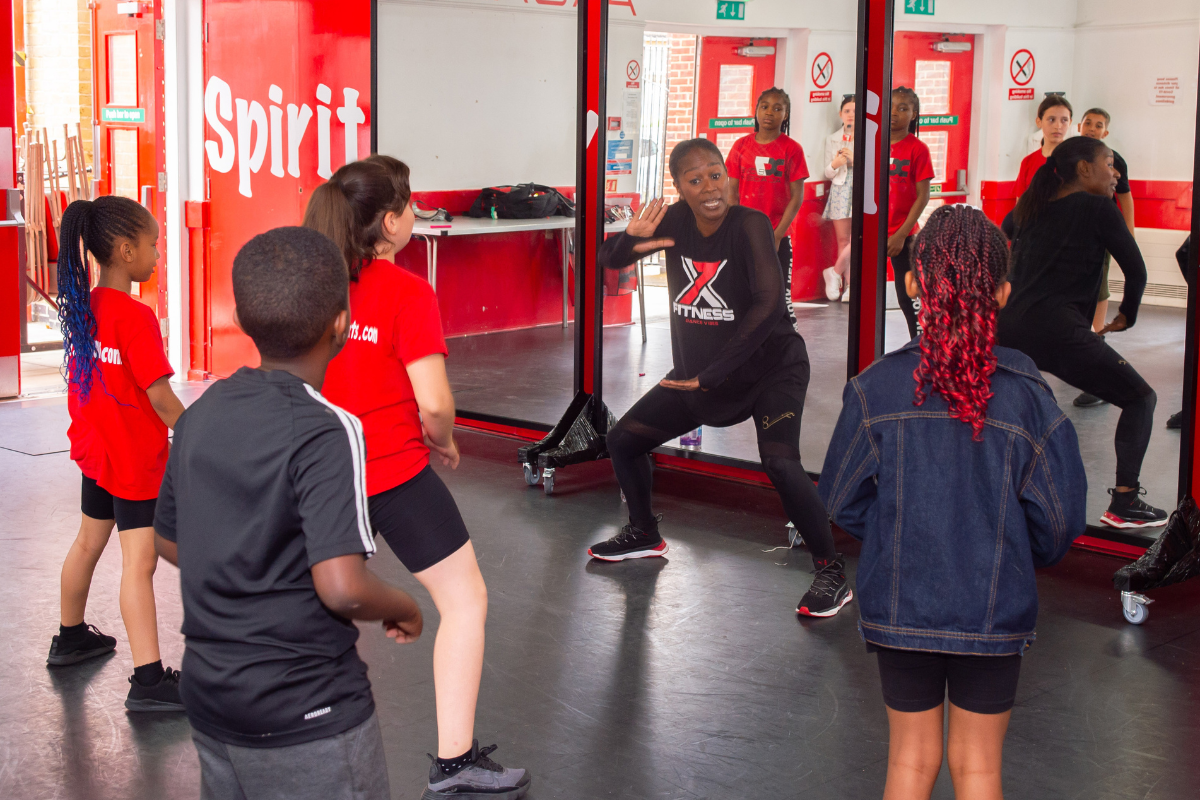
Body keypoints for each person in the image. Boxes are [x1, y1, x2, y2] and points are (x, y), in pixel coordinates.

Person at [819, 204, 1086, 800]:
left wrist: (897, 529)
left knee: (910, 764)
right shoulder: (1029, 400)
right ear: (1003, 292)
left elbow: (839, 497)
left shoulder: (875, 388)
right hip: (994, 611)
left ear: (914, 284)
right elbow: (1060, 522)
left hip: (899, 604)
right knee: (980, 770)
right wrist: (1012, 548)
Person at [154, 227, 425, 800]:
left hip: (211, 699)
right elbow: (342, 587)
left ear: (246, 322)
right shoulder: (329, 430)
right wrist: (405, 606)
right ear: (341, 324)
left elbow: (170, 539)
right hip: (308, 711)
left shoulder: (200, 416)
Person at [303, 155, 530, 800]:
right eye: (407, 202)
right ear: (393, 221)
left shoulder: (310, 283)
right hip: (392, 473)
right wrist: (446, 439)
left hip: (318, 478)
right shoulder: (407, 292)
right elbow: (433, 404)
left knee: (311, 605)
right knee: (465, 601)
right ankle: (454, 764)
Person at [588, 138, 852, 618]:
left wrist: (710, 373)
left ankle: (831, 571)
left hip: (772, 367)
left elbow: (768, 305)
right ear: (679, 188)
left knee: (780, 462)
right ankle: (644, 532)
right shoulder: (671, 224)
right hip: (700, 375)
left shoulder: (749, 225)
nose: (710, 186)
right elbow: (610, 260)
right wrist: (630, 236)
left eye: (716, 174)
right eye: (695, 179)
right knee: (624, 440)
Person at [47, 196, 186, 712]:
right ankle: (149, 680)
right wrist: (200, 434)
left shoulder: (85, 306)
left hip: (98, 450)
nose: (157, 253)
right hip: (133, 461)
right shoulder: (135, 316)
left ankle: (71, 637)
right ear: (126, 251)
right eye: (154, 244)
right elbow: (161, 399)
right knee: (139, 563)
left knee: (88, 542)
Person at [999, 135, 1167, 528]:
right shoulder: (1098, 209)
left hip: (1007, 326)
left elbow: (1003, 234)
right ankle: (1124, 504)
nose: (1116, 175)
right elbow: (1137, 270)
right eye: (1110, 164)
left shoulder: (1030, 206)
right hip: (1057, 330)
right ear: (1084, 169)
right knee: (1140, 399)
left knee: (1011, 410)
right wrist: (1127, 314)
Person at [1073, 107, 1137, 408]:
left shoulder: (1114, 159)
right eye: (1088, 123)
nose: (1092, 128)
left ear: (1105, 132)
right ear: (1080, 125)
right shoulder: (1068, 155)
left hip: (1100, 233)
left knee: (1097, 288)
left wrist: (1129, 233)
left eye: (1098, 125)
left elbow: (1124, 196)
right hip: (1070, 233)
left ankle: (1098, 344)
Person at [726, 87, 807, 321]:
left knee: (781, 299)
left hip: (777, 235)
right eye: (764, 106)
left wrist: (778, 235)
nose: (769, 112)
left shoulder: (792, 149)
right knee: (746, 296)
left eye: (777, 108)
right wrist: (735, 227)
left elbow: (797, 197)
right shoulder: (741, 146)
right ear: (756, 110)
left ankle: (789, 350)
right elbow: (732, 191)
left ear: (786, 115)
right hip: (745, 234)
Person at [887, 87, 934, 340]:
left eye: (903, 108)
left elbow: (923, 196)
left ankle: (918, 345)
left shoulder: (918, 149)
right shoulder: (871, 146)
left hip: (903, 236)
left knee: (908, 297)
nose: (895, 113)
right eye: (892, 106)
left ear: (914, 114)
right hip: (871, 231)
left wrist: (901, 235)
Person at [822, 95, 855, 302]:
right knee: (843, 241)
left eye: (855, 111)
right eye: (847, 111)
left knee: (857, 240)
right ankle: (848, 287)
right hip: (841, 190)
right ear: (841, 114)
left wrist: (855, 161)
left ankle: (833, 272)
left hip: (860, 190)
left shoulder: (869, 136)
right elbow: (827, 172)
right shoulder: (832, 138)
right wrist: (835, 164)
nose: (851, 115)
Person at [1013, 95, 1074, 197]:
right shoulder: (1028, 162)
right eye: (1051, 119)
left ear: (1070, 123)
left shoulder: (1076, 160)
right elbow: (1021, 205)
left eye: (1064, 120)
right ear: (1039, 122)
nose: (1058, 126)